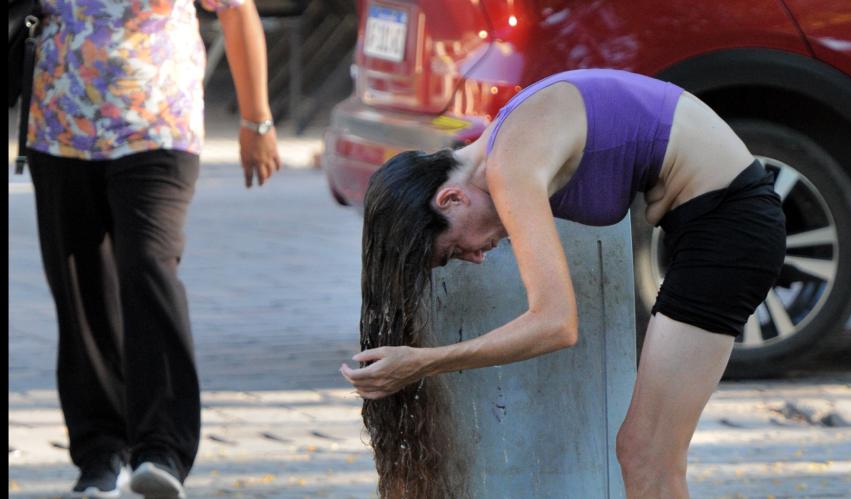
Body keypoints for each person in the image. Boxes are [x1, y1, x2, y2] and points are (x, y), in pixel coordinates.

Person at [341, 68, 786, 498]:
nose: (475, 257)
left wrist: (423, 362)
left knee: (647, 456)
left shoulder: (508, 163)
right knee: (646, 454)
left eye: (454, 249)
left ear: (451, 198)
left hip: (729, 225)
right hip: (712, 222)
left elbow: (555, 324)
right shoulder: (507, 144)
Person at [24, 1, 280, 497]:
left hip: (157, 123)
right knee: (81, 290)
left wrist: (257, 120)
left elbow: (235, 9)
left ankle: (162, 449)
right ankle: (100, 454)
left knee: (148, 265)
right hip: (59, 128)